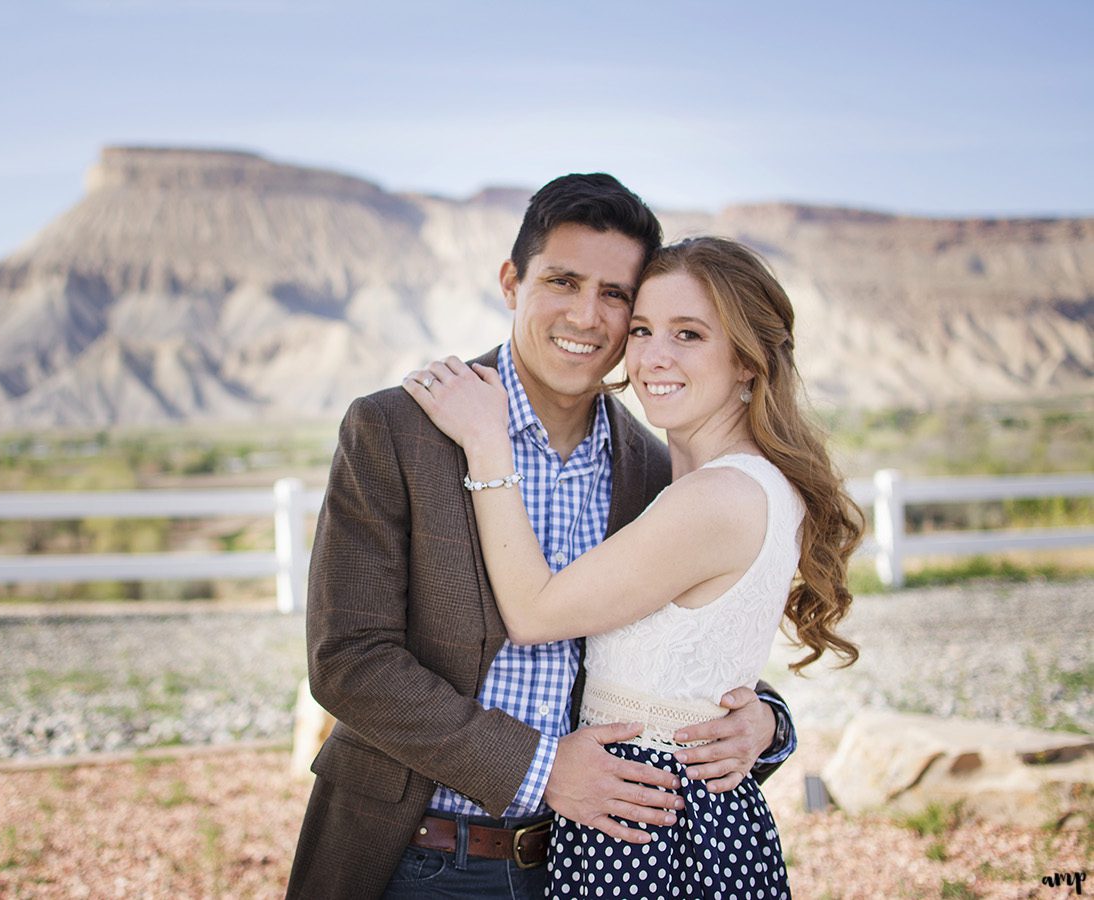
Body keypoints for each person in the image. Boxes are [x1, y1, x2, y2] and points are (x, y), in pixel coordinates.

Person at [286, 176, 798, 900]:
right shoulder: (399, 430)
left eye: (616, 295)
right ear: (511, 283)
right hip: (417, 855)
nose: (587, 316)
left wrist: (767, 724)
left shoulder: (653, 470)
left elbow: (671, 659)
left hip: (587, 862)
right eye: (563, 281)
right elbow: (349, 659)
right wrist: (538, 768)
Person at [403, 235, 863, 898]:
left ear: (747, 362)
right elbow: (698, 668)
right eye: (643, 329)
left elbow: (534, 614)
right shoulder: (729, 484)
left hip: (656, 835)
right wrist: (765, 719)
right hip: (666, 819)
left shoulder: (719, 498)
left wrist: (486, 443)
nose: (653, 357)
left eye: (689, 334)